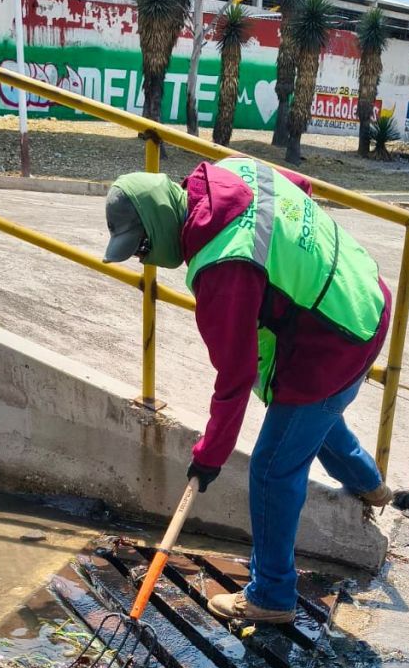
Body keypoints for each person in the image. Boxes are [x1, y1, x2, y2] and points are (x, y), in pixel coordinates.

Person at [102, 156, 393, 626]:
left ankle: (272, 597)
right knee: (313, 417)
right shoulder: (229, 171)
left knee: (273, 469)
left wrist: (209, 457)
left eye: (141, 247)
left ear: (156, 223)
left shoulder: (223, 266)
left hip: (335, 337)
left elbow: (235, 375)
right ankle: (370, 484)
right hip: (363, 292)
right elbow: (300, 189)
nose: (143, 257)